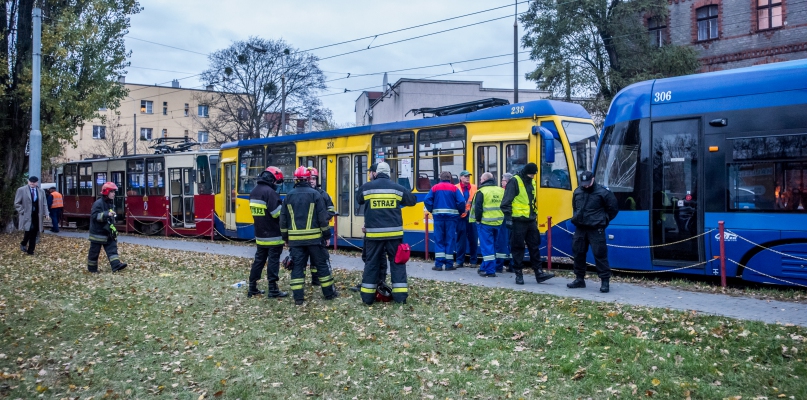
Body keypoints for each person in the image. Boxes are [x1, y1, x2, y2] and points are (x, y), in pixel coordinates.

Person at [356, 162, 417, 305]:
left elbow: (359, 199)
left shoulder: (366, 188)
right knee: (397, 263)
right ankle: (400, 298)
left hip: (373, 235)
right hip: (394, 235)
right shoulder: (397, 188)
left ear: (376, 173)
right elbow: (412, 201)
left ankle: (367, 298)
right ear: (389, 173)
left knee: (371, 264)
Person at [280, 166, 337, 305]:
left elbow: (283, 220)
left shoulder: (288, 196)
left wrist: (285, 238)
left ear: (295, 179)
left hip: (296, 241)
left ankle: (298, 298)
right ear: (308, 178)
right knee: (322, 266)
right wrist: (326, 236)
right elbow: (322, 219)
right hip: (315, 240)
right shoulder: (315, 194)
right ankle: (329, 294)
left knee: (297, 268)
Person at [501, 163, 554, 285]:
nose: (533, 177)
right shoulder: (515, 181)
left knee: (534, 246)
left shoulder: (532, 182)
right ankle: (518, 274)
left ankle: (539, 273)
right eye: (531, 174)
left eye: (534, 175)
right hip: (518, 221)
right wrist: (509, 219)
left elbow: (532, 202)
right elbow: (505, 203)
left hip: (530, 220)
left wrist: (534, 217)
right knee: (518, 248)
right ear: (526, 172)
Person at [567, 171, 619, 293]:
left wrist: (603, 220)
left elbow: (613, 209)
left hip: (596, 228)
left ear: (593, 179)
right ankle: (579, 279)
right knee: (578, 253)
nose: (585, 185)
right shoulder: (577, 191)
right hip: (580, 228)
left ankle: (605, 281)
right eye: (583, 183)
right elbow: (575, 207)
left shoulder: (603, 192)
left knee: (600, 254)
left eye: (587, 183)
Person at [247, 166, 288, 298]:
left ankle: (252, 287)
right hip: (273, 235)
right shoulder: (270, 193)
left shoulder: (254, 192)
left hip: (260, 235)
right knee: (273, 262)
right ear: (272, 180)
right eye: (277, 182)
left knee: (259, 261)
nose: (277, 185)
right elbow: (277, 214)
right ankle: (273, 289)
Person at [423, 171, 466, 271]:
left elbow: (427, 200)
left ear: (440, 178)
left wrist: (432, 209)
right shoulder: (454, 188)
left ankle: (438, 265)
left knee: (439, 240)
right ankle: (449, 265)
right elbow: (461, 201)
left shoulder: (435, 188)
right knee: (450, 240)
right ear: (450, 178)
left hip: (438, 218)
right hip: (451, 218)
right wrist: (460, 212)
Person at [87, 182, 127, 273]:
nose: (114, 194)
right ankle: (92, 269)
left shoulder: (110, 203)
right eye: (112, 192)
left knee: (112, 249)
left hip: (107, 232)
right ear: (106, 192)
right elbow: (95, 216)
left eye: (114, 192)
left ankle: (116, 265)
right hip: (98, 233)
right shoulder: (98, 204)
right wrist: (106, 214)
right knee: (94, 252)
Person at [470, 172, 505, 277]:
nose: (480, 180)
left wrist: (477, 220)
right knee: (492, 246)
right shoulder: (501, 190)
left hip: (485, 223)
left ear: (484, 180)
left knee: (486, 247)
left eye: (481, 179)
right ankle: (484, 267)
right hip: (498, 222)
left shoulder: (481, 191)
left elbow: (478, 208)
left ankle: (490, 271)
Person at [308, 167, 337, 286]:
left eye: (314, 179)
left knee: (318, 258)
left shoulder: (323, 194)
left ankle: (316, 280)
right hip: (306, 233)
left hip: (319, 233)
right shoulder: (303, 194)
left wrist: (323, 218)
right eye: (309, 179)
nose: (311, 181)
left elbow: (331, 209)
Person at [14, 176, 48, 255]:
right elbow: (17, 203)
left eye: (34, 182)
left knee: (34, 232)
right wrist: (22, 211)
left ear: (37, 183)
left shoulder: (41, 191)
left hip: (37, 215)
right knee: (28, 230)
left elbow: (44, 203)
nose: (32, 183)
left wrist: (46, 213)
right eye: (31, 181)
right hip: (27, 215)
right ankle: (23, 243)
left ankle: (30, 251)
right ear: (28, 181)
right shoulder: (21, 190)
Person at [454, 170, 478, 268]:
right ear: (460, 178)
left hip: (471, 216)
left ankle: (473, 261)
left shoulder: (474, 187)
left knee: (473, 239)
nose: (467, 178)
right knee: (461, 240)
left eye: (468, 176)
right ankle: (460, 261)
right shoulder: (455, 188)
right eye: (465, 176)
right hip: (460, 217)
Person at [496, 173, 513, 273]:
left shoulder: (502, 191)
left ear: (506, 181)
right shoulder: (516, 190)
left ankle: (499, 266)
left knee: (502, 242)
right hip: (514, 219)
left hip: (503, 219)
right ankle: (513, 266)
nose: (501, 182)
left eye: (502, 180)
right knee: (512, 243)